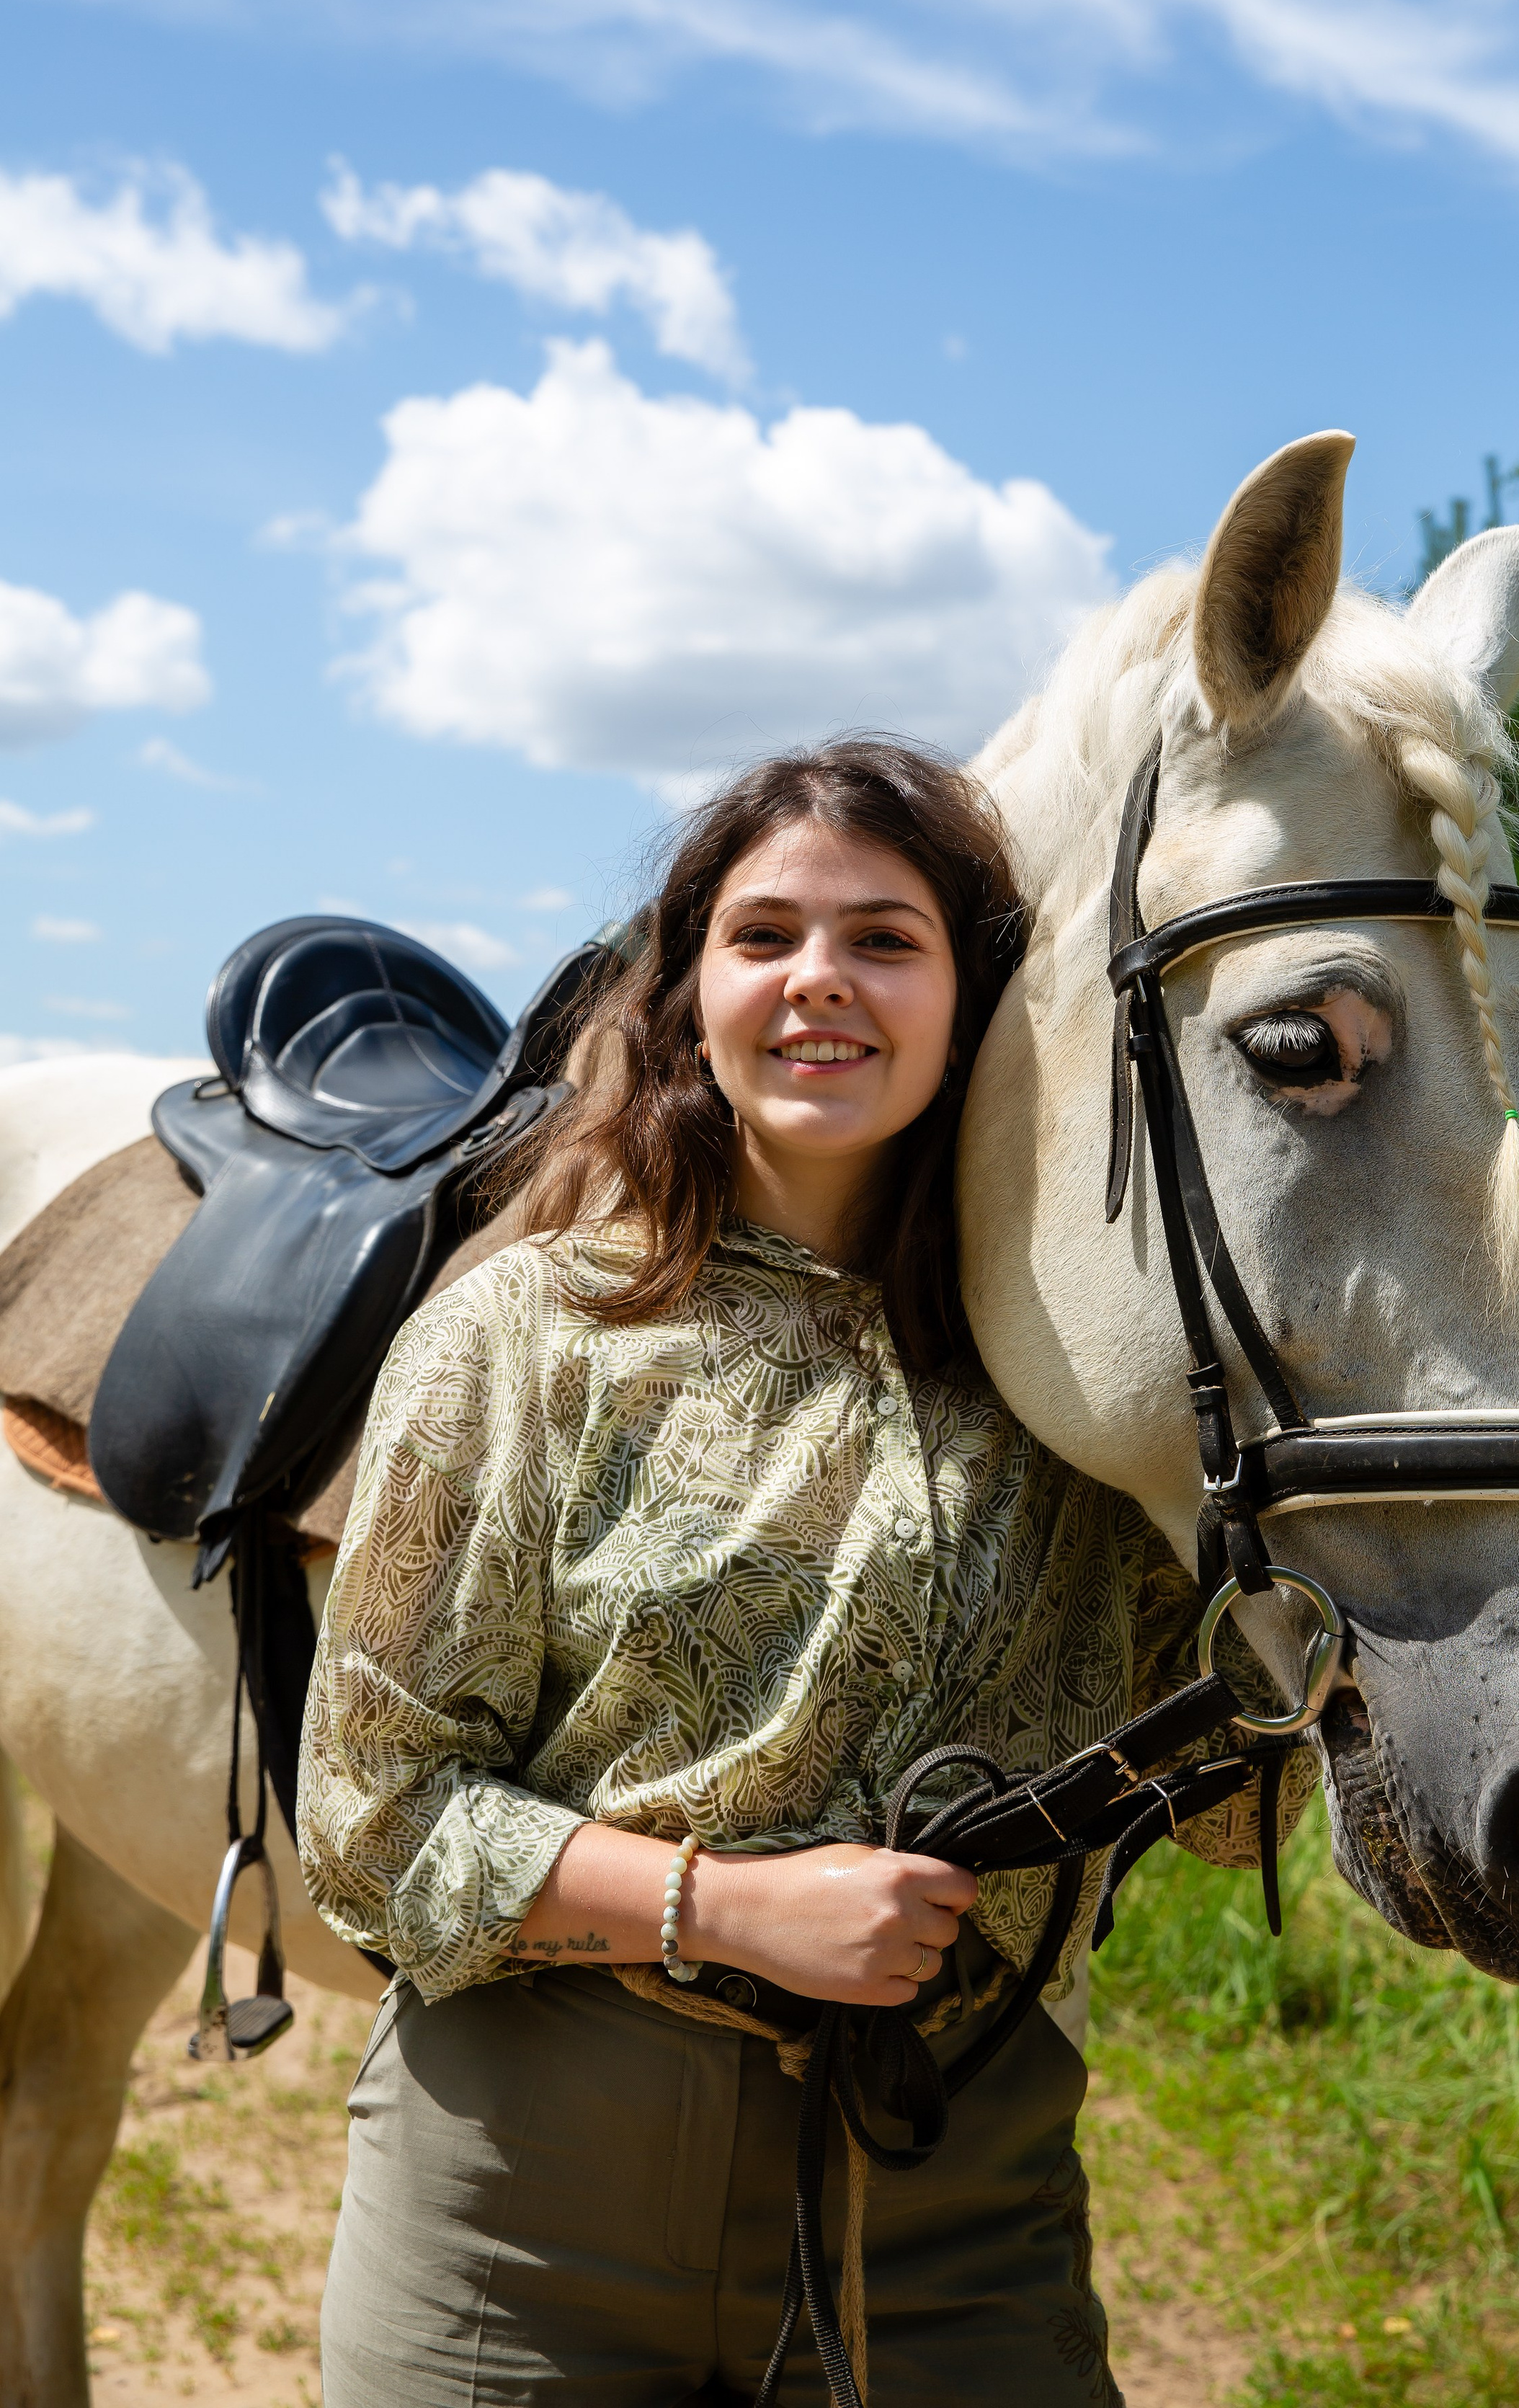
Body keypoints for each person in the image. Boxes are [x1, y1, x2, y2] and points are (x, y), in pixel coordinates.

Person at [300, 737, 1296, 2408]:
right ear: (689, 994)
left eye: (883, 940)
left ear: (972, 998)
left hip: (954, 2199)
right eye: (762, 936)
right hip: (525, 2210)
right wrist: (728, 1904)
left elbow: (1229, 1811)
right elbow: (373, 1813)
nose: (817, 979)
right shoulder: (521, 1337)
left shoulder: (1067, 1379)